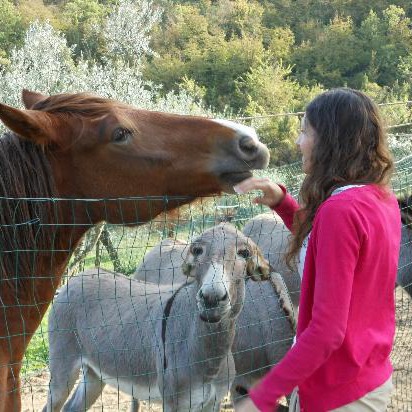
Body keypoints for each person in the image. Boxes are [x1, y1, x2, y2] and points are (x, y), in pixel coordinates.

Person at [233, 88, 401, 412]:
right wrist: (282, 203)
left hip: (338, 395)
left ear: (330, 141)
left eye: (304, 131)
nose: (298, 142)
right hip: (368, 381)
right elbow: (327, 247)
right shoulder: (379, 198)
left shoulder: (340, 211)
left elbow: (326, 331)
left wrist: (263, 396)